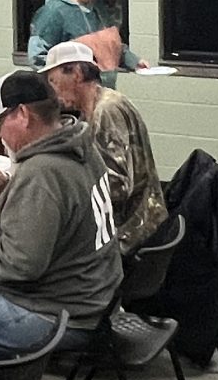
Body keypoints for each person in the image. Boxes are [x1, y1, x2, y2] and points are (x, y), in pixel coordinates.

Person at [0, 70, 120, 379]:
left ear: (23, 115)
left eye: (0, 123)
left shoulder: (42, 172)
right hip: (96, 299)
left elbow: (19, 266)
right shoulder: (79, 145)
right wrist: (6, 188)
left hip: (59, 311)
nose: (0, 134)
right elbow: (58, 214)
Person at [42, 41, 167, 251]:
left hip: (131, 229)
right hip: (129, 221)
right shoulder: (92, 109)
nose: (53, 91)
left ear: (77, 74)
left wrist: (67, 193)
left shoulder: (107, 111)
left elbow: (117, 187)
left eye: (54, 81)